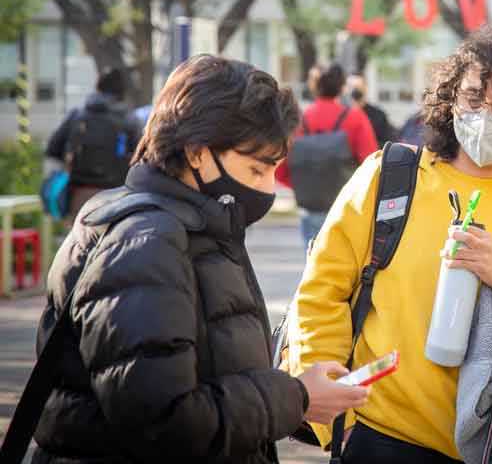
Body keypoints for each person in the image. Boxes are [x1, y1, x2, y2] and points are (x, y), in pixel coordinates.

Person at [288, 24, 492, 464]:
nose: (484, 116)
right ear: (451, 98)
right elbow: (322, 292)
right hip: (384, 437)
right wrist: (335, 426)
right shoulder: (389, 176)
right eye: (474, 98)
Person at [31, 55, 368, 463]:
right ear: (196, 153)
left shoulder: (197, 226)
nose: (267, 189)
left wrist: (298, 397)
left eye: (274, 171)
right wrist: (294, 397)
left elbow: (211, 374)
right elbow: (163, 421)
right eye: (256, 170)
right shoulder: (146, 243)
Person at [276, 64, 378, 246]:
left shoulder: (300, 120)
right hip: (348, 203)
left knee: (314, 263)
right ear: (342, 86)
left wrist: (303, 185)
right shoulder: (355, 117)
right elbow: (372, 163)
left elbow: (281, 166)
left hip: (312, 203)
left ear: (313, 86)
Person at [45, 68, 144, 221]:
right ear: (122, 93)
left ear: (97, 88)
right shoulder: (130, 120)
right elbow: (142, 158)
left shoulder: (77, 115)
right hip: (117, 196)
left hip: (78, 194)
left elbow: (52, 150)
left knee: (79, 241)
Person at [346, 73, 395, 147]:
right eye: (352, 87)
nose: (355, 91)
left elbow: (387, 143)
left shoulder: (379, 115)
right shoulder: (341, 114)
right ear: (346, 89)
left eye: (358, 87)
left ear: (365, 88)